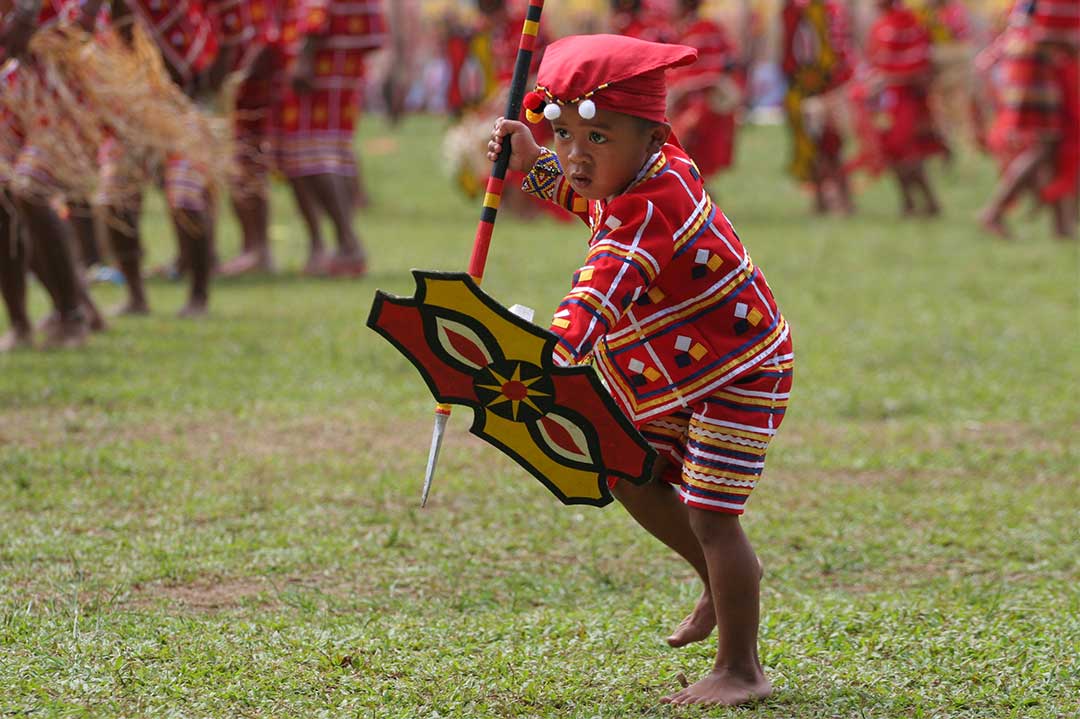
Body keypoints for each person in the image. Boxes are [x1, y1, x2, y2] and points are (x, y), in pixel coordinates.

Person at [488, 34, 793, 707]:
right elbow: (586, 197)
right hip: (678, 368)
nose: (575, 153)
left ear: (652, 134)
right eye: (562, 132)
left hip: (737, 370)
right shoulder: (638, 172)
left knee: (715, 517)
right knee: (624, 467)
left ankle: (742, 667)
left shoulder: (652, 203)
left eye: (596, 136)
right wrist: (530, 161)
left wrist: (550, 356)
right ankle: (719, 582)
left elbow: (598, 288)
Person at [0, 0, 105, 349]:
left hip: (60, 87)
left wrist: (29, 11)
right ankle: (20, 322)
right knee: (4, 195)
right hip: (12, 84)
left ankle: (72, 315)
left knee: (29, 188)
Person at [273, 0, 388, 277]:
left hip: (323, 59)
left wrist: (304, 56)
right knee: (326, 151)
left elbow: (317, 8)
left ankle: (346, 244)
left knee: (315, 153)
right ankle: (330, 245)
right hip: (335, 53)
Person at [866, 0, 946, 217]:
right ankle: (908, 202)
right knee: (890, 152)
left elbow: (919, 67)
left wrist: (887, 79)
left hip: (904, 99)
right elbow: (876, 62)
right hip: (884, 101)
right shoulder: (881, 24)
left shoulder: (907, 22)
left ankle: (930, 202)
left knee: (906, 151)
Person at [779, 0, 855, 214]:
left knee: (831, 144)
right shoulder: (793, 10)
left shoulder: (827, 10)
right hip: (803, 85)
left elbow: (836, 52)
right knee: (811, 145)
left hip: (827, 85)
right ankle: (821, 200)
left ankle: (844, 201)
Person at [668, 0, 743, 181]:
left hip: (702, 106)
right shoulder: (685, 29)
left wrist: (681, 91)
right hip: (688, 104)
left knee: (682, 150)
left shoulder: (703, 29)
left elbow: (715, 71)